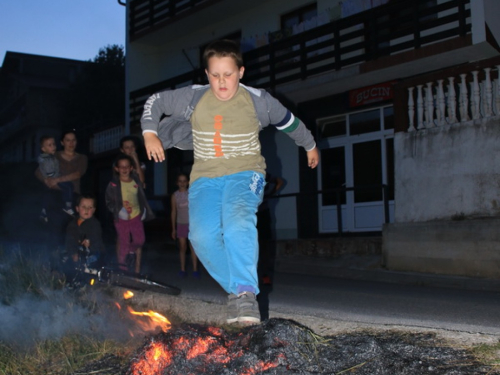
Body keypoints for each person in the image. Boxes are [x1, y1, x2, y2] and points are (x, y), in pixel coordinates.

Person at [141, 39, 319, 324]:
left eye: (228, 74)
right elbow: (155, 101)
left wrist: (310, 145)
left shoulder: (259, 101)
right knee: (201, 237)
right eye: (214, 75)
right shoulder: (194, 97)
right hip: (205, 178)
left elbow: (289, 121)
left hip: (246, 173)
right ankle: (238, 292)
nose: (221, 82)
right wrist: (150, 132)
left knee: (237, 222)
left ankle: (247, 294)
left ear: (241, 71)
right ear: (206, 74)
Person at [35, 130, 88, 249]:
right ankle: (55, 263)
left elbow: (78, 174)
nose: (71, 143)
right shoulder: (55, 155)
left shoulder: (82, 158)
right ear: (62, 142)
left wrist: (57, 180)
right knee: (55, 229)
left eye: (73, 140)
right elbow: (38, 172)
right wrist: (47, 181)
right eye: (67, 140)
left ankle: (72, 261)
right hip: (55, 195)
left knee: (72, 228)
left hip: (73, 195)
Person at [105, 154, 155, 274]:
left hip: (136, 215)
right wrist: (118, 211)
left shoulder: (135, 180)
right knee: (124, 243)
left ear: (131, 167)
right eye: (121, 167)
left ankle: (131, 251)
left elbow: (141, 195)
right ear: (117, 168)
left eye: (127, 166)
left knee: (140, 240)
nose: (124, 169)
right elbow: (108, 201)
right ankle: (123, 270)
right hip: (121, 218)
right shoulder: (113, 183)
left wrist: (143, 210)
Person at [64, 195, 105, 277]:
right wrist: (73, 253)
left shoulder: (95, 224)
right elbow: (69, 240)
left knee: (92, 263)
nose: (86, 210)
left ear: (93, 210)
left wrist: (89, 242)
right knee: (67, 262)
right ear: (77, 209)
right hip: (78, 252)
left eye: (90, 207)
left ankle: (92, 276)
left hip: (93, 253)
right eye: (83, 207)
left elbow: (96, 238)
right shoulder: (72, 225)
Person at [37, 135, 75, 219]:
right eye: (49, 145)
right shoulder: (46, 159)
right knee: (68, 186)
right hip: (52, 180)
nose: (53, 147)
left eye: (53, 144)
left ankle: (44, 212)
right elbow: (48, 171)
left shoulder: (52, 157)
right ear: (43, 149)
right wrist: (53, 180)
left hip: (54, 179)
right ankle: (68, 207)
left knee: (49, 196)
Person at [257, 173, 284, 286]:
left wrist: (271, 194)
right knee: (255, 246)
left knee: (264, 246)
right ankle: (258, 275)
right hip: (250, 213)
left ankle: (265, 275)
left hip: (262, 213)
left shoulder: (263, 174)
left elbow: (280, 181)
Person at [170, 173, 199, 278]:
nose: (182, 183)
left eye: (184, 181)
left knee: (193, 247)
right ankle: (182, 269)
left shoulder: (191, 194)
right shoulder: (175, 195)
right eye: (180, 181)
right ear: (177, 183)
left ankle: (195, 270)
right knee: (182, 247)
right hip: (181, 224)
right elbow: (173, 212)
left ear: (187, 182)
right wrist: (173, 229)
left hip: (192, 224)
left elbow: (196, 209)